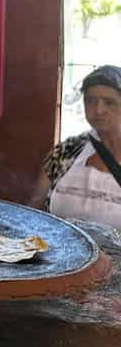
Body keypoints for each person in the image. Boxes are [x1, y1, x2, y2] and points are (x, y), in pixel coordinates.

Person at [39, 65, 121, 228]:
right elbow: (35, 204)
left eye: (109, 102)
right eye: (90, 101)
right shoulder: (67, 150)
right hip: (61, 250)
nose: (98, 110)